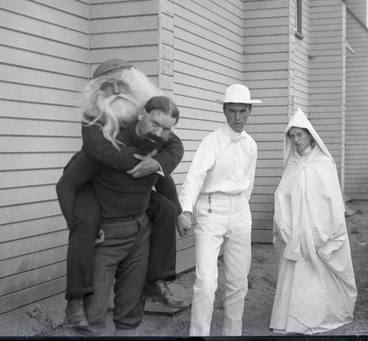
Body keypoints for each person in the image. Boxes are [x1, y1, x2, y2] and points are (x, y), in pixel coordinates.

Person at [57, 59, 190, 328]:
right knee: (92, 316)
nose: (117, 91)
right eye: (109, 86)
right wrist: (80, 225)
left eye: (123, 85)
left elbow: (164, 177)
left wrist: (177, 211)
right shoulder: (101, 137)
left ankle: (157, 282)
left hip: (140, 230)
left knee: (131, 314)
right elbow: (67, 184)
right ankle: (75, 303)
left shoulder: (157, 140)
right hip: (106, 232)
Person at [178, 84, 261, 336]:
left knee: (238, 280)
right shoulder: (211, 141)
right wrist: (186, 210)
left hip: (240, 210)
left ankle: (231, 333)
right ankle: (198, 333)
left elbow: (249, 182)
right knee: (206, 281)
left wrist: (240, 208)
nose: (237, 117)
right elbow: (194, 177)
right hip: (212, 209)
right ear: (224, 111)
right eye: (233, 111)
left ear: (249, 112)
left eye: (243, 111)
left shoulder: (250, 144)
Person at [269, 108, 357, 334]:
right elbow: (282, 196)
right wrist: (286, 226)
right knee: (296, 274)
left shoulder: (324, 163)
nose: (295, 140)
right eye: (292, 136)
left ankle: (318, 315)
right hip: (296, 233)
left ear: (309, 134)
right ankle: (294, 319)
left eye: (299, 135)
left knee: (318, 277)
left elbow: (333, 201)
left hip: (319, 232)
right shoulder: (293, 164)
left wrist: (322, 232)